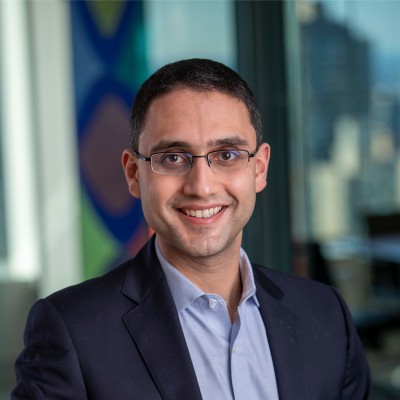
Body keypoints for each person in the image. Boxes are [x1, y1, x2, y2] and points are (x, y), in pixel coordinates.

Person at [12, 58, 371, 400]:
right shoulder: (73, 331)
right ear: (134, 174)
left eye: (227, 155)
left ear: (259, 168)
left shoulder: (325, 315)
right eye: (173, 157)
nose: (202, 186)